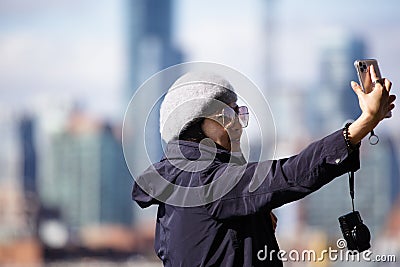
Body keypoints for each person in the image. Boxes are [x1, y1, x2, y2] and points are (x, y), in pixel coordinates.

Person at [131, 67, 395, 266]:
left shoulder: (182, 184)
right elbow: (288, 174)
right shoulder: (204, 182)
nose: (237, 124)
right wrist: (361, 125)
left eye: (239, 114)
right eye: (229, 113)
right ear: (198, 125)